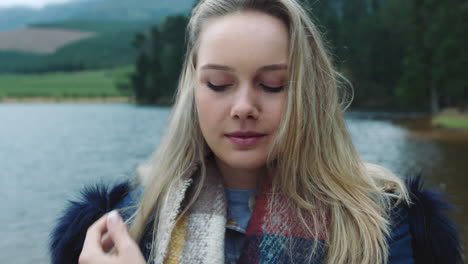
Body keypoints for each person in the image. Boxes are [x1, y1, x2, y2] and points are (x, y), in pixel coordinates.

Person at [50, 0, 463, 263]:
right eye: (218, 84)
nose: (244, 107)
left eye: (273, 85)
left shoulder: (384, 222)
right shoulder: (122, 224)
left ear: (310, 91)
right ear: (193, 87)